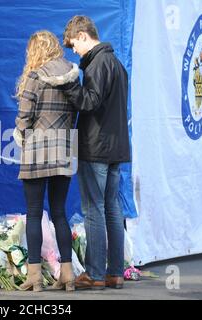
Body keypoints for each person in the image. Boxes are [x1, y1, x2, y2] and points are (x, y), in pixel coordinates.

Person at [59, 16, 131, 290]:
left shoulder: (98, 63)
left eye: (74, 44)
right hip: (116, 148)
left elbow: (90, 101)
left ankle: (95, 274)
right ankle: (115, 273)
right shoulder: (117, 64)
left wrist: (69, 85)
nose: (74, 50)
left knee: (94, 210)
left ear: (84, 36)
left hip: (97, 147)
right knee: (112, 209)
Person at [14, 30, 79, 292]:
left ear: (35, 51)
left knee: (34, 213)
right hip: (63, 150)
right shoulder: (73, 78)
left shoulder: (34, 76)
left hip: (37, 152)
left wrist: (21, 135)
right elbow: (75, 114)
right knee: (60, 213)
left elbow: (24, 116)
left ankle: (35, 277)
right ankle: (67, 274)